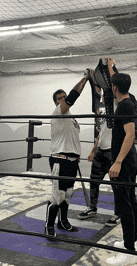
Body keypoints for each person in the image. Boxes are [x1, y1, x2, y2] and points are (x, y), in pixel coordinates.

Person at [44, 69, 90, 239]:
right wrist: (85, 79)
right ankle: (48, 226)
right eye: (60, 98)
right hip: (59, 160)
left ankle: (62, 221)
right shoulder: (58, 113)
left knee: (68, 194)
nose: (63, 100)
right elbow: (73, 96)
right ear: (56, 103)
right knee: (58, 196)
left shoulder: (72, 119)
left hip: (72, 161)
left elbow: (73, 139)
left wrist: (77, 155)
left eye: (64, 98)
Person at [105, 60, 137, 265]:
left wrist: (117, 162)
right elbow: (117, 83)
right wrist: (112, 68)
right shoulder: (130, 99)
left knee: (125, 204)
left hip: (124, 162)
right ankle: (131, 242)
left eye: (112, 85)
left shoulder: (125, 106)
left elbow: (130, 135)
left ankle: (129, 251)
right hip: (131, 160)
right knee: (131, 200)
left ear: (115, 88)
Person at [78, 99, 120, 227]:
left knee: (116, 185)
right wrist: (92, 151)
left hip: (112, 152)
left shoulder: (115, 106)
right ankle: (92, 208)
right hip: (100, 152)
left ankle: (118, 213)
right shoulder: (102, 111)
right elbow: (100, 134)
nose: (102, 96)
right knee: (94, 181)